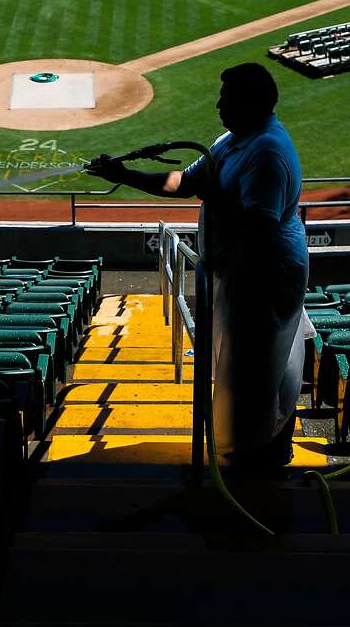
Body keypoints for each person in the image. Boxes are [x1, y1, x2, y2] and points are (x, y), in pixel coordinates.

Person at [88, 62, 311, 472]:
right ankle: (253, 450)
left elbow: (258, 229)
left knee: (259, 372)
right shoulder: (233, 141)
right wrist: (124, 173)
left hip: (264, 278)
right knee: (249, 367)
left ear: (249, 102)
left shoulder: (267, 152)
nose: (218, 106)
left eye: (226, 99)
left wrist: (211, 194)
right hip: (242, 274)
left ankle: (262, 460)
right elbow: (183, 183)